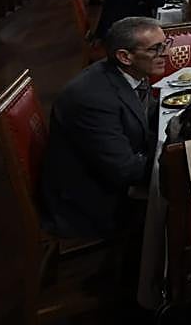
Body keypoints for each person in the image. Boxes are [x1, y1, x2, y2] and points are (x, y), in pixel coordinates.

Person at [40, 17, 164, 238]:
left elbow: (146, 116)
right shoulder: (91, 99)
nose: (166, 54)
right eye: (156, 49)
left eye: (166, 44)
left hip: (112, 174)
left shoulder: (130, 72)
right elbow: (126, 171)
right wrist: (174, 158)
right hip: (92, 203)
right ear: (125, 56)